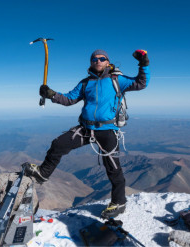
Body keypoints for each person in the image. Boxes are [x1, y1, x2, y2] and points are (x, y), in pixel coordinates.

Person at [24, 49, 150, 219]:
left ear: (107, 62)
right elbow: (69, 99)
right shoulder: (85, 83)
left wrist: (143, 63)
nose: (98, 61)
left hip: (107, 130)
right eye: (94, 59)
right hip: (85, 128)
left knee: (113, 168)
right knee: (58, 144)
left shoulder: (117, 80)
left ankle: (119, 202)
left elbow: (141, 83)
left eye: (102, 58)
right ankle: (43, 173)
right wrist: (52, 95)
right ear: (91, 63)